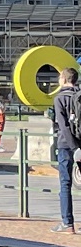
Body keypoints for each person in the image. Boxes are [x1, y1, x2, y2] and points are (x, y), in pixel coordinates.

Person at [52, 69, 78, 234]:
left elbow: (62, 125)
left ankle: (67, 222)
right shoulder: (79, 95)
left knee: (65, 183)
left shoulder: (59, 98)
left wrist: (73, 146)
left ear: (63, 79)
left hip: (66, 144)